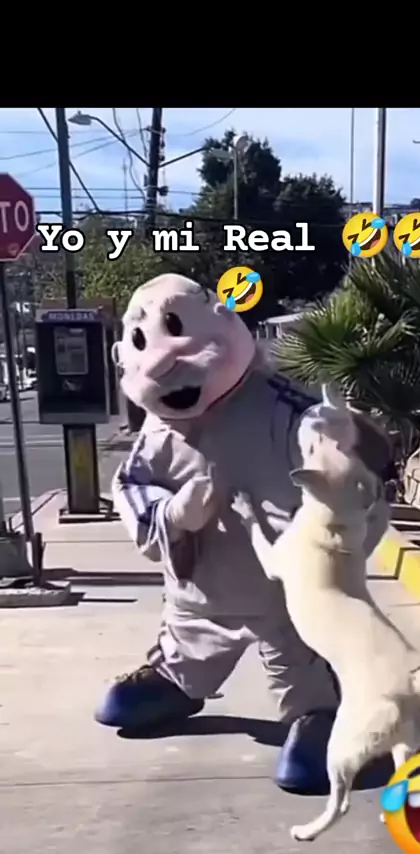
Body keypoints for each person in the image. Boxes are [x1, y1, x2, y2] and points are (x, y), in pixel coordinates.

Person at [95, 273, 391, 794]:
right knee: (157, 667)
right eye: (141, 342)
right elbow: (133, 484)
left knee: (307, 669)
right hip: (200, 594)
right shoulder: (160, 426)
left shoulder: (282, 407)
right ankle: (179, 680)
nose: (162, 364)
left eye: (176, 329)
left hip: (287, 597)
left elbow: (343, 460)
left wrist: (342, 454)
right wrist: (173, 513)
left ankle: (331, 716)